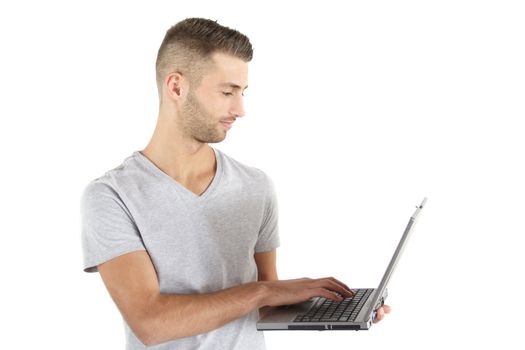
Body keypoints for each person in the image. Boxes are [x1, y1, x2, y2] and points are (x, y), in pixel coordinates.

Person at [80, 17, 391, 349]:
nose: (240, 109)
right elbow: (151, 322)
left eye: (242, 92)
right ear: (176, 87)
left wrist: (336, 308)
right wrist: (263, 291)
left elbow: (268, 302)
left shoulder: (256, 186)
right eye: (227, 92)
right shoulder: (112, 196)